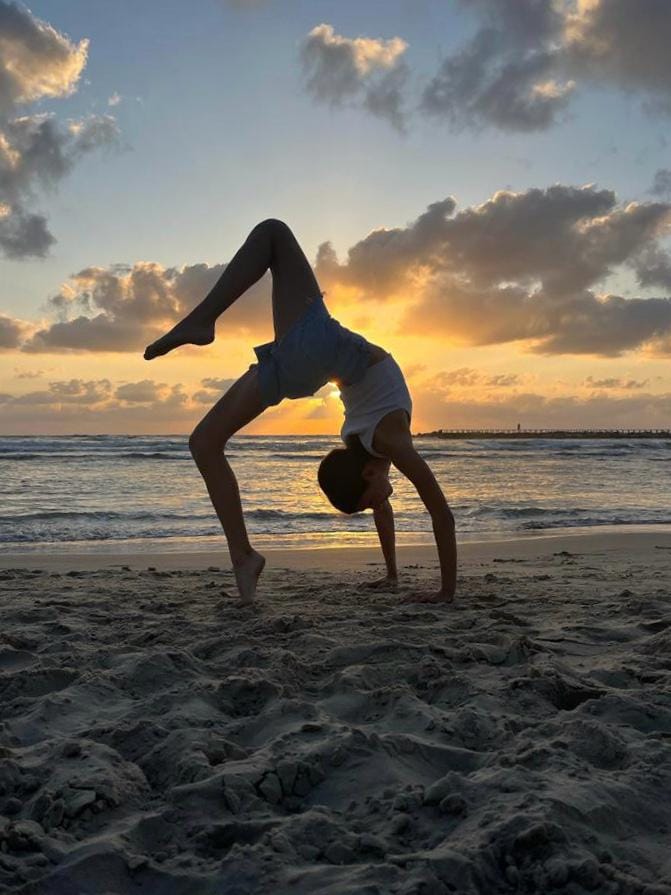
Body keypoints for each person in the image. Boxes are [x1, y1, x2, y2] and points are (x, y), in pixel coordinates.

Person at [144, 219, 456, 605]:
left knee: (205, 443)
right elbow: (441, 513)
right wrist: (446, 592)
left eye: (370, 502)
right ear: (367, 472)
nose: (379, 504)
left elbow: (384, 506)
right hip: (314, 356)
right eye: (372, 501)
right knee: (203, 443)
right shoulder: (388, 441)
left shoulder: (375, 450)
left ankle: (243, 555)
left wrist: (393, 576)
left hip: (310, 361)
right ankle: (244, 558)